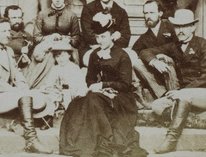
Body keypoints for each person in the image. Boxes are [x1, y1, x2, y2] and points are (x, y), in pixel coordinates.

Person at [59, 16, 148, 157]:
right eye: (97, 37)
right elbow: (90, 78)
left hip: (122, 98)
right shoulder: (95, 54)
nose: (100, 41)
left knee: (93, 101)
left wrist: (104, 85)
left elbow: (125, 84)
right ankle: (84, 143)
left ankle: (105, 140)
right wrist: (95, 87)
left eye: (103, 37)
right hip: (102, 94)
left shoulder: (122, 55)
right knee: (78, 104)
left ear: (112, 36)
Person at [139, 9, 206, 153]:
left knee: (183, 97)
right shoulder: (174, 46)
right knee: (157, 106)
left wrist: (182, 92)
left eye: (185, 26)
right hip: (183, 96)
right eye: (177, 27)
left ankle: (171, 140)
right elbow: (145, 52)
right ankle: (194, 121)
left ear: (193, 27)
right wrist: (154, 62)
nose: (180, 30)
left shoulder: (203, 44)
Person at [0, 17, 53, 154]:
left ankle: (22, 125)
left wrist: (22, 85)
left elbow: (16, 71)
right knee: (26, 97)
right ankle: (31, 140)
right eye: (3, 31)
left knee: (39, 97)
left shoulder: (7, 50)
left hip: (4, 93)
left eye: (9, 30)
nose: (8, 34)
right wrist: (18, 91)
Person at [79, 0, 132, 66]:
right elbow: (88, 36)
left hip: (115, 50)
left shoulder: (121, 12)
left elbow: (126, 38)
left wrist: (110, 46)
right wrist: (112, 38)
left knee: (129, 58)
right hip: (93, 49)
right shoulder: (88, 9)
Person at [132, 0, 178, 100]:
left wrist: (160, 57)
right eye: (145, 13)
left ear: (160, 13)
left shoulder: (172, 27)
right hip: (157, 71)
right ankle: (162, 94)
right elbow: (134, 52)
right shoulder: (144, 38)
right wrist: (153, 61)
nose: (148, 16)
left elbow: (176, 47)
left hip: (175, 67)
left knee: (163, 58)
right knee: (137, 63)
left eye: (151, 12)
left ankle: (175, 93)